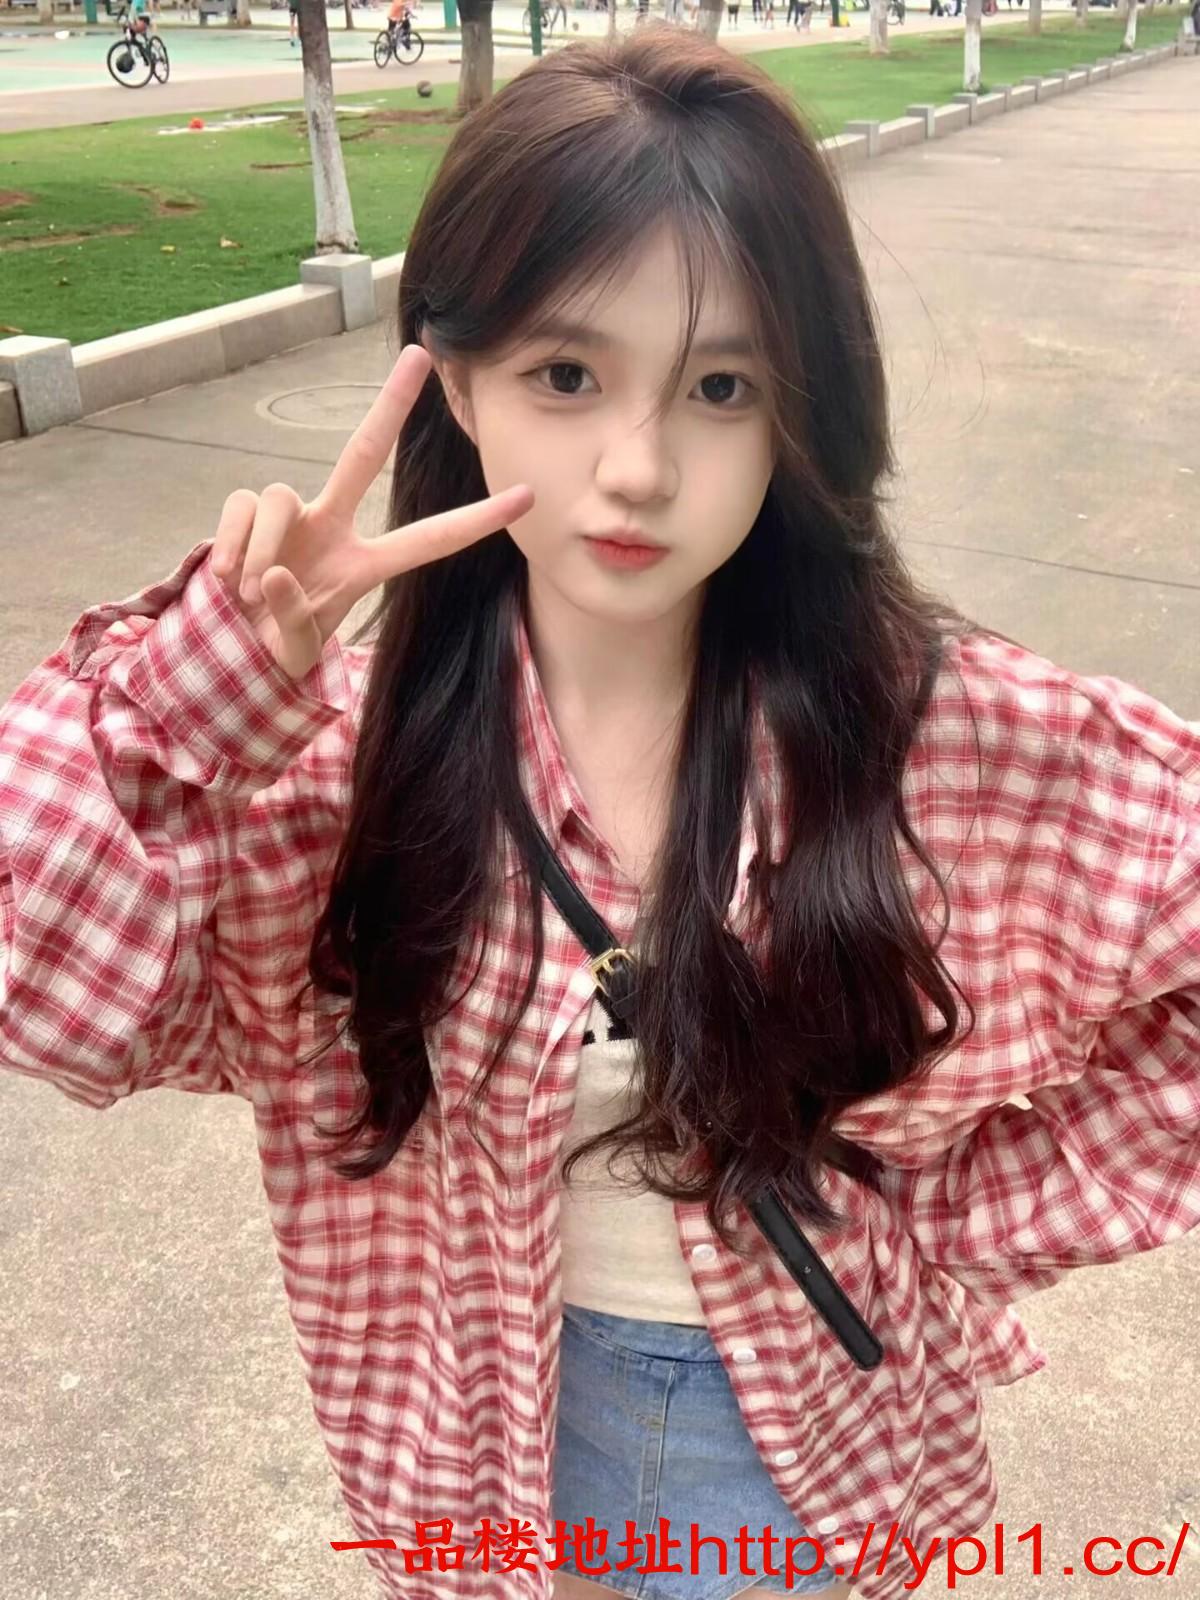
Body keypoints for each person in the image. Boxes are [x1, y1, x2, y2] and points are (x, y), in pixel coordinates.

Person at [2, 28, 1198, 1600]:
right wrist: (192, 697)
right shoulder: (331, 770)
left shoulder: (927, 731)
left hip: (792, 1442)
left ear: (798, 412)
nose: (636, 469)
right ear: (459, 382)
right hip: (469, 1427)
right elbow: (44, 983)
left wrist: (957, 1218)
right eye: (566, 376)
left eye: (719, 387)